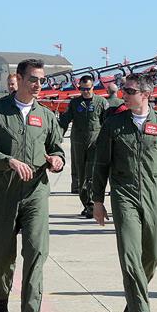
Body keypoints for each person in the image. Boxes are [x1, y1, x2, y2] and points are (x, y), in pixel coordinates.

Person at [0, 59, 65, 312]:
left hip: (36, 193)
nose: (38, 85)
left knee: (37, 253)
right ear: (19, 79)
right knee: (0, 258)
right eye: (33, 80)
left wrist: (57, 160)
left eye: (41, 80)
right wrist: (8, 161)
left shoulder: (47, 116)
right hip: (4, 194)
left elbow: (57, 148)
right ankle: (1, 295)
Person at [92, 73, 157, 312]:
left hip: (154, 195)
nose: (124, 94)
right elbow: (101, 165)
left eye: (130, 91)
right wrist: (97, 200)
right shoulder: (114, 124)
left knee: (152, 254)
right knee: (130, 254)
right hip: (124, 194)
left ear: (145, 95)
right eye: (124, 90)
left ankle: (133, 300)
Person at [58, 75, 109, 218]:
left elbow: (107, 123)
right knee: (80, 175)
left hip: (95, 143)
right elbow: (64, 121)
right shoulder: (75, 103)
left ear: (93, 87)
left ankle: (92, 203)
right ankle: (86, 203)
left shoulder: (101, 102)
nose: (85, 91)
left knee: (91, 174)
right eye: (82, 89)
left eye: (88, 89)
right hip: (78, 143)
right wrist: (56, 138)